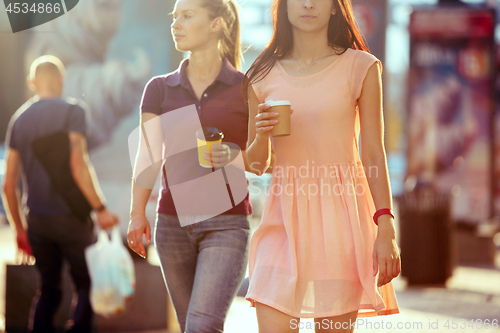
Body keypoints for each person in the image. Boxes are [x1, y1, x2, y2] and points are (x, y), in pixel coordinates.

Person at [242, 0, 400, 332]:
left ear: (334, 8)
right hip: (282, 220)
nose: (309, 3)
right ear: (283, 8)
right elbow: (258, 164)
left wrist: (385, 227)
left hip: (341, 220)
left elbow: (373, 153)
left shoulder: (361, 66)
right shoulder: (261, 74)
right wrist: (260, 134)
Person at [126, 0, 252, 332]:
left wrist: (233, 154)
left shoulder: (245, 88)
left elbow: (265, 160)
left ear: (216, 24)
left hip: (227, 224)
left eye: (187, 16)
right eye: (174, 17)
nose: (176, 24)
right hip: (171, 225)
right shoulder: (159, 89)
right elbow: (148, 155)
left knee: (201, 325)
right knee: (190, 327)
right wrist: (136, 213)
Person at [2, 55, 119, 333]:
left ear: (32, 82)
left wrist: (20, 229)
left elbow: (9, 184)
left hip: (38, 222)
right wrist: (100, 209)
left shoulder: (19, 119)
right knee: (87, 285)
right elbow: (79, 165)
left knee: (49, 289)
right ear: (61, 80)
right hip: (73, 219)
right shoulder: (73, 111)